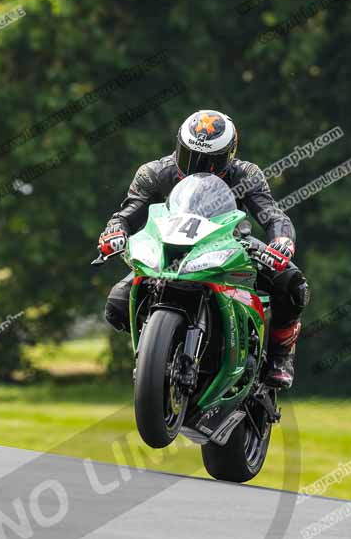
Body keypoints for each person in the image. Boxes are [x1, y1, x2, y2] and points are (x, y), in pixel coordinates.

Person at [98, 110, 310, 389]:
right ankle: (157, 351)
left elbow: (272, 215)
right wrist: (116, 230)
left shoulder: (246, 174)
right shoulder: (153, 173)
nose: (199, 166)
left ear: (229, 156)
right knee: (116, 305)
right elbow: (127, 213)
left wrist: (281, 240)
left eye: (210, 161)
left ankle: (280, 357)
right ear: (179, 147)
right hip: (172, 250)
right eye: (191, 156)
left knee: (293, 285)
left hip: (230, 246)